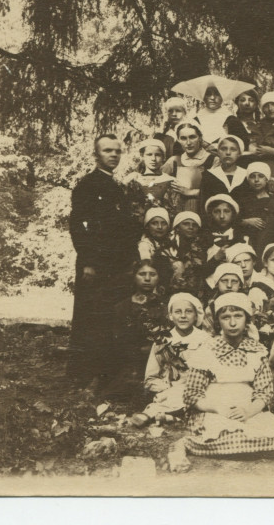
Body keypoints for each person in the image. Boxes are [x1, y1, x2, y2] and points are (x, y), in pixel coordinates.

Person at [179, 293, 274, 459]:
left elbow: (264, 392)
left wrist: (248, 411)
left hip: (248, 409)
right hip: (216, 410)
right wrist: (218, 408)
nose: (232, 323)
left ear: (247, 319)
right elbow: (192, 394)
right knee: (230, 437)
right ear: (218, 321)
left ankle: (241, 448)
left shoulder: (256, 350)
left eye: (238, 316)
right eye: (226, 317)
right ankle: (240, 448)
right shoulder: (207, 350)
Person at [67, 134, 139, 388]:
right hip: (95, 263)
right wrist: (88, 261)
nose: (113, 155)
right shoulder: (87, 184)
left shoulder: (118, 185)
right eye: (107, 150)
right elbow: (78, 225)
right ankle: (83, 376)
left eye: (117, 151)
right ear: (96, 155)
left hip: (117, 262)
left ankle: (108, 374)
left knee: (111, 316)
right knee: (90, 316)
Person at [134, 293, 209, 426]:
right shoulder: (162, 340)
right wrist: (167, 388)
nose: (183, 316)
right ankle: (169, 416)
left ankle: (157, 415)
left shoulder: (205, 340)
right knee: (170, 397)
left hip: (197, 389)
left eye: (189, 311)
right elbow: (150, 378)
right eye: (178, 312)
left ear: (196, 315)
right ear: (170, 315)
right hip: (167, 391)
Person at [109, 259, 169, 400]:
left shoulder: (165, 306)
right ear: (134, 277)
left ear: (159, 278)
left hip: (158, 360)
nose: (147, 279)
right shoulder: (121, 307)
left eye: (152, 274)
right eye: (142, 274)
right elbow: (117, 340)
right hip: (129, 361)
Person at [163, 122, 216, 217]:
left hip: (204, 212)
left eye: (192, 137)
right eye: (183, 138)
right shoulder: (174, 161)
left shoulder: (213, 160)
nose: (188, 143)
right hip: (179, 214)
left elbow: (217, 190)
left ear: (200, 138)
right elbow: (158, 184)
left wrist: (190, 192)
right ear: (178, 140)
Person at [236, 162, 274, 256]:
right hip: (247, 245)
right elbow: (231, 222)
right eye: (252, 176)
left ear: (266, 179)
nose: (256, 180)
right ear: (248, 180)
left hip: (270, 244)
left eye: (260, 176)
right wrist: (246, 222)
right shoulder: (241, 201)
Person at [200, 135, 250, 209]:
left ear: (239, 153)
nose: (228, 153)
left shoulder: (247, 175)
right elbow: (203, 206)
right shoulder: (209, 175)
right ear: (218, 152)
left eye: (233, 149)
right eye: (223, 149)